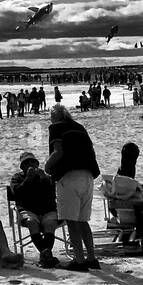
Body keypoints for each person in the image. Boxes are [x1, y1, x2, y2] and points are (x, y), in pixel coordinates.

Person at [47, 105, 101, 271]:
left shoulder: (56, 128)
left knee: (72, 221)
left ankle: (79, 260)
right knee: (83, 221)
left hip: (69, 176)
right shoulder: (79, 127)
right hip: (88, 176)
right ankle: (91, 258)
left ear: (54, 116)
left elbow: (58, 151)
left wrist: (47, 166)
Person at [10, 151, 62, 268]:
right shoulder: (17, 178)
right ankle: (47, 256)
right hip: (28, 210)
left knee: (50, 224)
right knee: (31, 222)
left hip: (47, 210)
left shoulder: (44, 177)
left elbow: (54, 192)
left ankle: (45, 256)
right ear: (22, 166)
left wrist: (44, 178)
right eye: (27, 163)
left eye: (33, 162)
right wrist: (28, 179)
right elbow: (17, 193)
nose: (30, 165)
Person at [105, 142, 143, 253]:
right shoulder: (128, 171)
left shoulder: (121, 171)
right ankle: (136, 232)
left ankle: (130, 231)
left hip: (121, 206)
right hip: (126, 206)